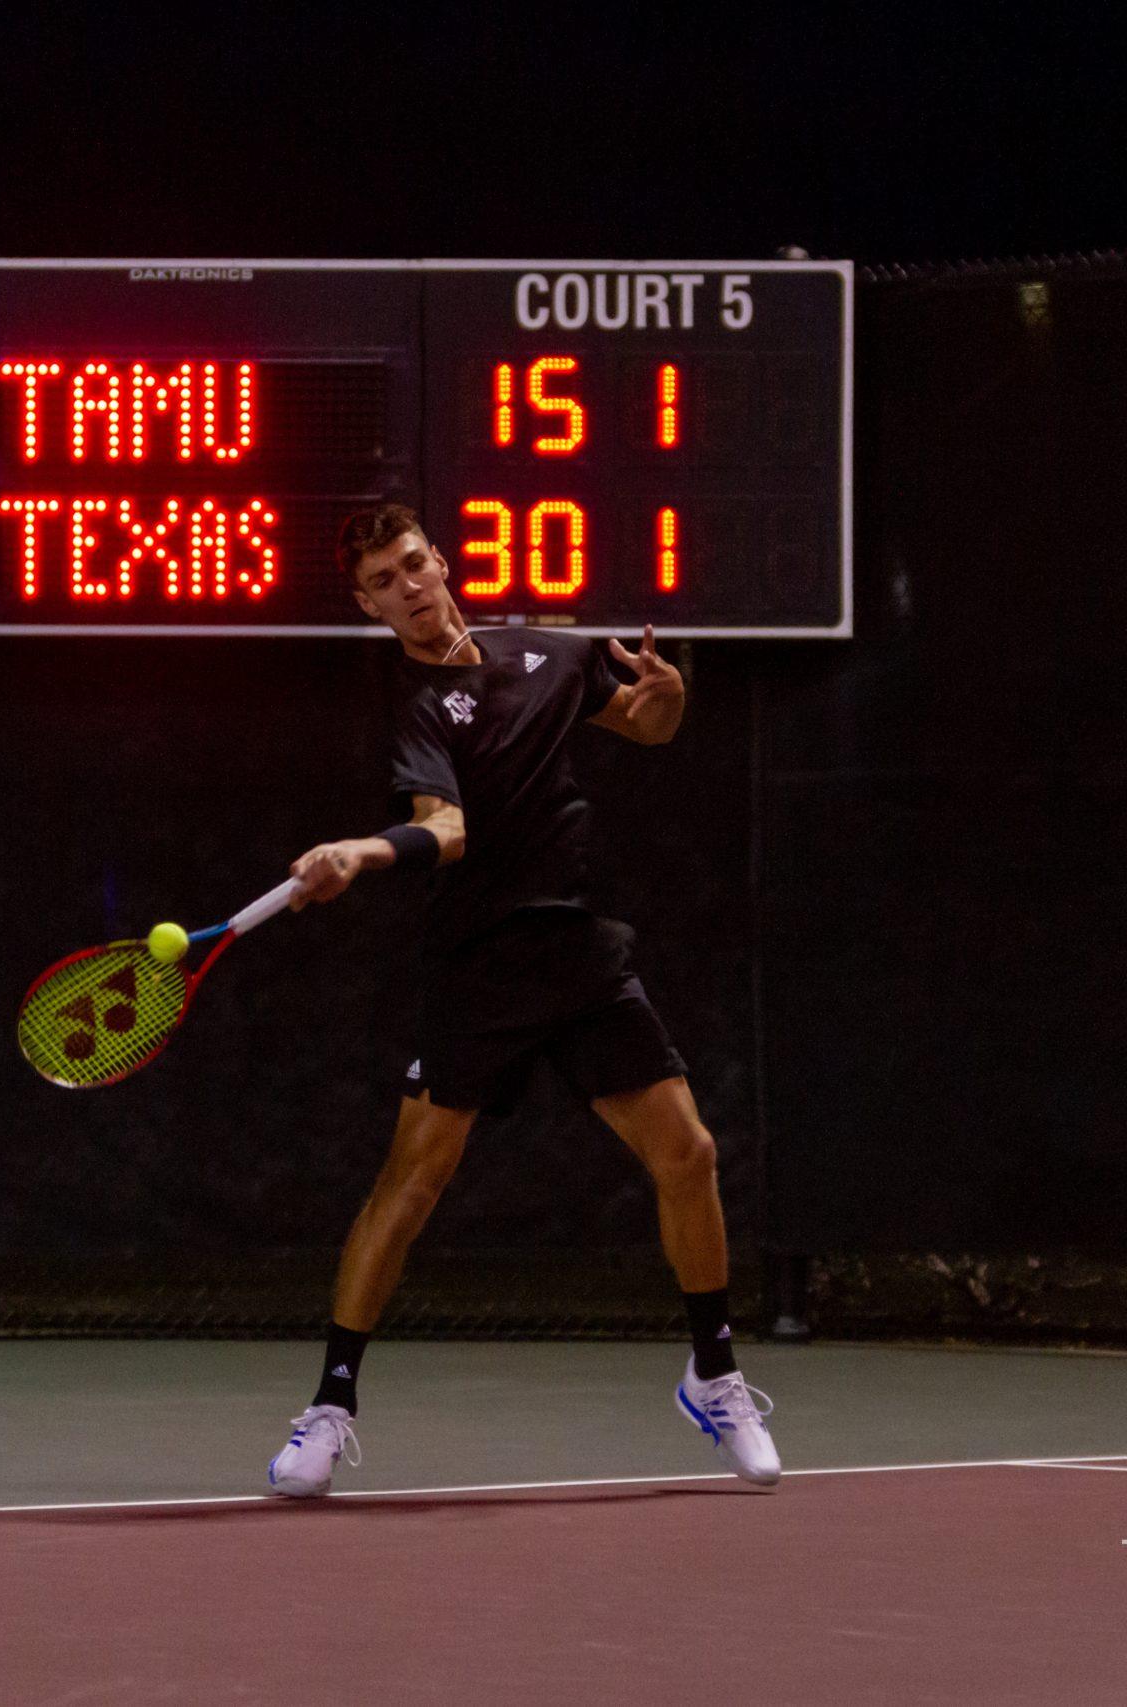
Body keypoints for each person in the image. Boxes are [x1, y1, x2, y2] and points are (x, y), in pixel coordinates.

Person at [264, 503, 779, 1496]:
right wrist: (362, 853)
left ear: (441, 562)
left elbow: (650, 726)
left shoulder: (550, 653)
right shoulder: (413, 708)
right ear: (367, 606)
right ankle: (328, 1406)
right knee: (409, 1189)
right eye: (383, 583)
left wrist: (669, 694)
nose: (407, 589)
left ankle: (713, 1375)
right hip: (478, 968)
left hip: (579, 953)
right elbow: (447, 829)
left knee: (690, 1153)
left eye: (413, 566)